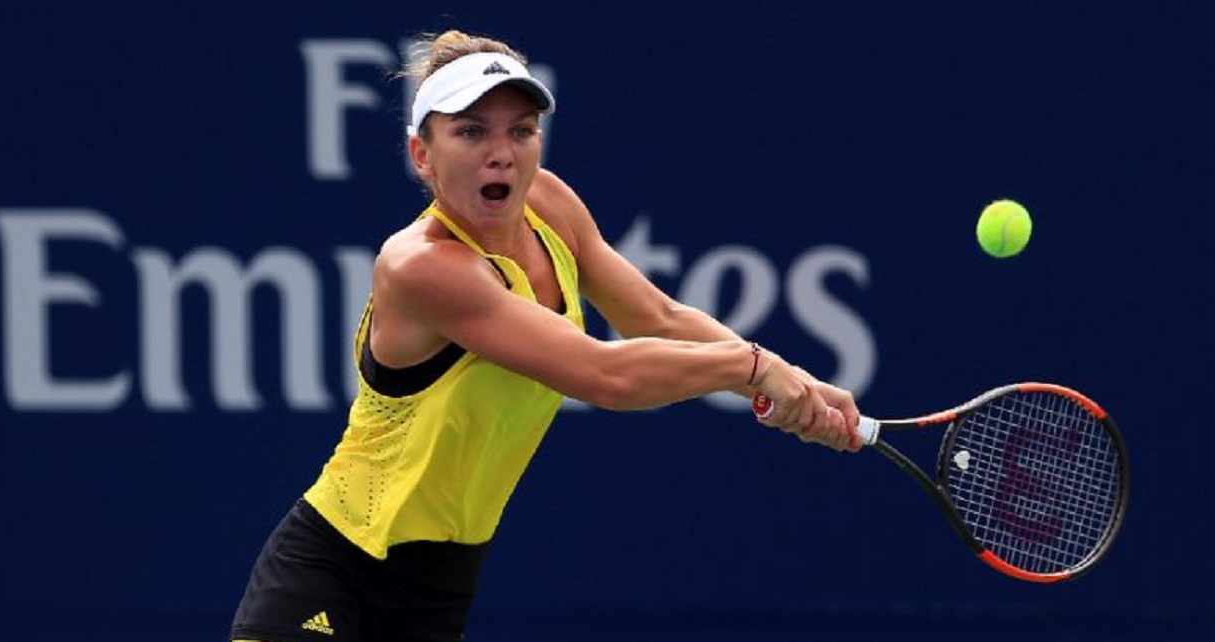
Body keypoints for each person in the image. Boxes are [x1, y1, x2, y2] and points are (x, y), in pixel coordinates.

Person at [230, 29, 863, 642]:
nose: (501, 152)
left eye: (522, 130)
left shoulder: (550, 205)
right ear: (422, 155)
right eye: (471, 131)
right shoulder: (420, 265)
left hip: (438, 589)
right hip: (335, 569)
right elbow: (606, 376)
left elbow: (659, 319)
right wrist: (753, 367)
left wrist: (797, 384)